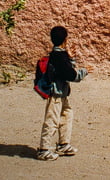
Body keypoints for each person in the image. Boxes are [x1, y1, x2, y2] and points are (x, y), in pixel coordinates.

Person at [37, 25, 89, 160]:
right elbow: (71, 75)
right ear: (65, 40)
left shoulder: (59, 55)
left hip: (62, 94)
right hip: (56, 94)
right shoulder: (59, 57)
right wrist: (85, 71)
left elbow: (66, 70)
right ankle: (43, 150)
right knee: (52, 120)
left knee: (66, 115)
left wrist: (70, 58)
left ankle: (63, 144)